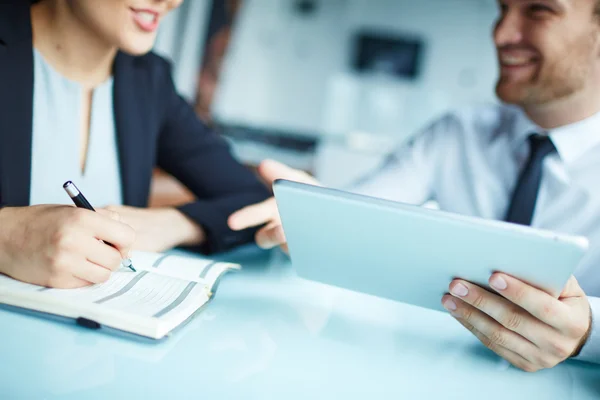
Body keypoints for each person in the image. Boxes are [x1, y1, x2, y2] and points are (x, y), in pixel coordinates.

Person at [228, 0, 600, 371]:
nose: (501, 34)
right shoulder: (458, 132)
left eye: (539, 11)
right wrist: (318, 216)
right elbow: (364, 210)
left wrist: (588, 332)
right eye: (502, 10)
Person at [0, 0, 270, 289]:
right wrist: (8, 235)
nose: (172, 1)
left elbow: (252, 199)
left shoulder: (148, 80)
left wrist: (173, 224)